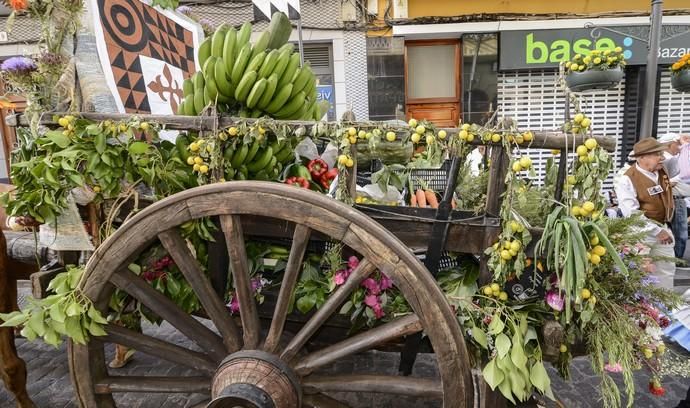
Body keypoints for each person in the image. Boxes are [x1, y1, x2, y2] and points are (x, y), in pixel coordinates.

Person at [613, 138, 676, 289]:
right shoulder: (626, 179)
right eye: (656, 154)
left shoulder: (661, 170)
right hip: (640, 234)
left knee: (666, 270)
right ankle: (643, 310)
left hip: (663, 228)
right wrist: (656, 231)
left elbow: (681, 164)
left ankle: (666, 308)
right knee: (641, 274)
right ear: (642, 158)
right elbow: (632, 214)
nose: (661, 157)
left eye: (661, 153)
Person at [658, 132, 690, 258]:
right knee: (680, 231)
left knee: (672, 230)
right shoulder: (669, 159)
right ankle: (677, 259)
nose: (679, 147)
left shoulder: (668, 159)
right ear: (670, 145)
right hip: (674, 199)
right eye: (677, 144)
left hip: (672, 198)